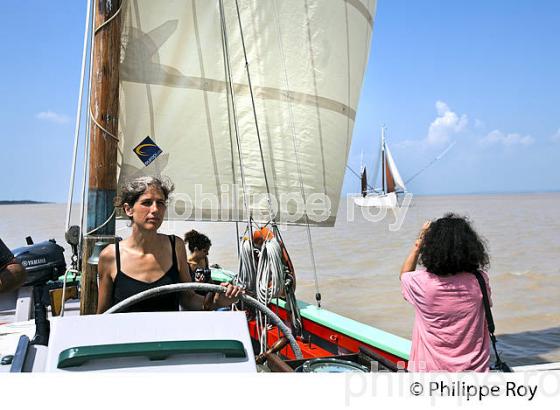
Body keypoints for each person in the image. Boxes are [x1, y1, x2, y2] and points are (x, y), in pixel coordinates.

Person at [97, 176, 242, 313]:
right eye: (147, 203)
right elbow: (104, 314)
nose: (155, 209)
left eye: (160, 203)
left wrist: (216, 301)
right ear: (128, 209)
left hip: (168, 338)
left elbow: (188, 299)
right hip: (128, 339)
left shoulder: (175, 246)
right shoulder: (110, 256)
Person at [400, 214, 491, 372]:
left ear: (431, 248)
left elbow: (404, 276)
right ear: (471, 247)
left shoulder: (421, 282)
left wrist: (418, 243)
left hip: (429, 375)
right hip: (474, 374)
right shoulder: (480, 280)